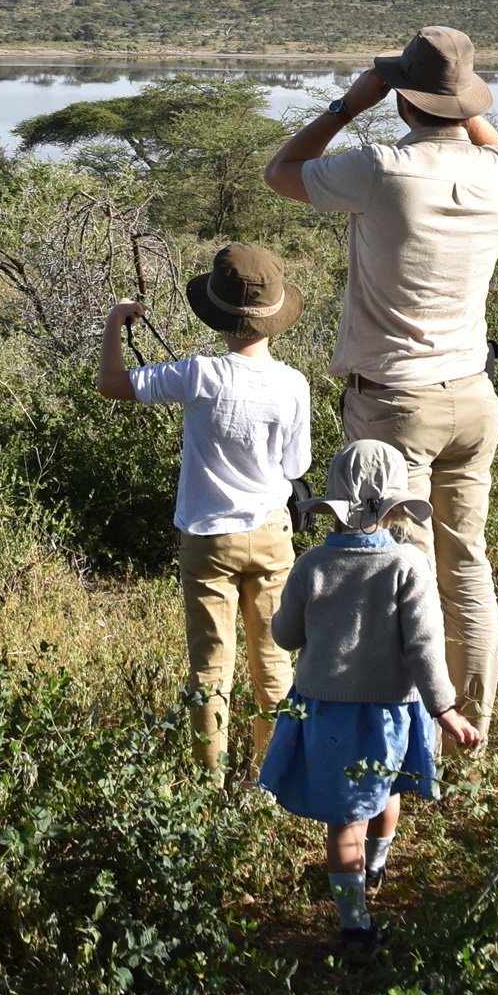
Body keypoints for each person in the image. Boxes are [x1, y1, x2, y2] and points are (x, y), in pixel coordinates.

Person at [264, 26, 498, 742]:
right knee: (466, 561)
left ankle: (415, 736)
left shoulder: (379, 168)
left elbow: (281, 170)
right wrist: (450, 94)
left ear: (402, 101)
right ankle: (474, 719)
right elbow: (481, 133)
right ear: (466, 102)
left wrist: (351, 102)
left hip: (395, 403)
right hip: (472, 394)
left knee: (401, 571)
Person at [259, 439, 482, 964]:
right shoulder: (408, 564)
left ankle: (353, 916)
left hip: (326, 708)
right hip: (390, 710)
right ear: (396, 506)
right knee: (388, 790)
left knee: (344, 819)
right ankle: (373, 874)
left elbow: (287, 636)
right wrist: (444, 708)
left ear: (334, 501)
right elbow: (426, 646)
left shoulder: (312, 564)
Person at [99, 243, 311, 785]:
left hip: (205, 538)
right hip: (271, 533)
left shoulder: (198, 374)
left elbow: (113, 386)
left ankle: (209, 783)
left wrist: (114, 325)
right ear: (276, 317)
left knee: (211, 664)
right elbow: (296, 466)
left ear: (217, 313)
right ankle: (274, 777)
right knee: (275, 660)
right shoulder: (293, 384)